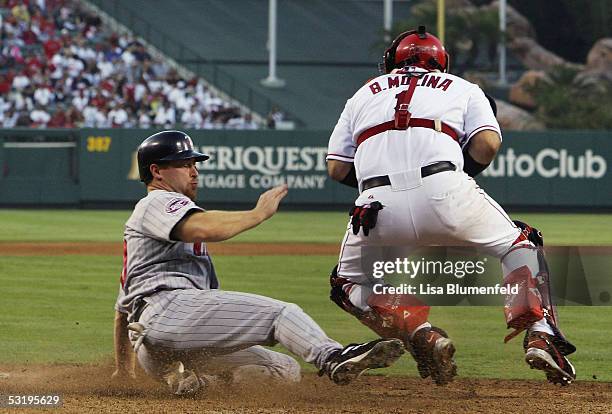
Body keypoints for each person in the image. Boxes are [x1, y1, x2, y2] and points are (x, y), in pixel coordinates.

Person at [325, 26, 576, 386]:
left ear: (392, 61)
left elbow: (337, 168)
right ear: (442, 62)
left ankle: (419, 332)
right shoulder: (463, 87)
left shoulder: (362, 93)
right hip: (444, 189)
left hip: (375, 206)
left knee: (347, 283)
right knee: (520, 243)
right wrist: (456, 171)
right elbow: (487, 145)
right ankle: (540, 334)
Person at [112, 130, 404, 395]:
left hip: (159, 346)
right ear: (156, 171)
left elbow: (121, 311)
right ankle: (333, 356)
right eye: (184, 164)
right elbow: (204, 227)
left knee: (284, 369)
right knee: (282, 315)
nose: (194, 171)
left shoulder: (149, 228)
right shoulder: (157, 201)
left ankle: (193, 381)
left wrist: (125, 371)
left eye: (194, 163)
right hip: (169, 315)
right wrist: (258, 213)